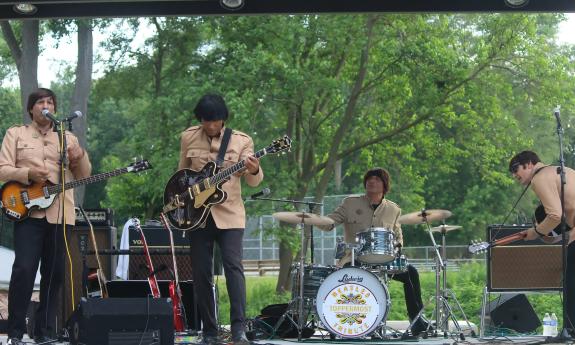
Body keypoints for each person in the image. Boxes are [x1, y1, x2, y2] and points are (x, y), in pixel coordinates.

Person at [0, 88, 92, 345]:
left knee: (54, 274)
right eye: (41, 101)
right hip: (28, 213)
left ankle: (44, 331)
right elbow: (2, 169)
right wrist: (28, 173)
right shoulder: (16, 133)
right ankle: (16, 332)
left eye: (50, 102)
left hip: (60, 214)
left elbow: (84, 175)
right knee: (24, 270)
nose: (46, 105)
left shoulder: (68, 137)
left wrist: (79, 156)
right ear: (31, 108)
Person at [178, 94, 263, 345]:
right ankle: (209, 332)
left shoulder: (242, 140)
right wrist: (181, 204)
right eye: (206, 121)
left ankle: (239, 330)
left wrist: (254, 168)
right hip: (197, 216)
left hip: (230, 214)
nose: (211, 126)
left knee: (233, 269)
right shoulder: (188, 137)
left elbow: (253, 180)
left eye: (215, 121)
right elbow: (181, 175)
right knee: (201, 272)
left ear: (223, 119)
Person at [318, 167, 430, 336]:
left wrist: (397, 247)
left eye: (377, 179)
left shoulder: (394, 209)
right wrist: (314, 219)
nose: (372, 181)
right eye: (369, 178)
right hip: (355, 259)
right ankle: (346, 324)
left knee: (411, 272)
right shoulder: (350, 203)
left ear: (384, 185)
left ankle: (417, 322)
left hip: (384, 260)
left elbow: (398, 237)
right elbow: (329, 222)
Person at [510, 150, 575, 336]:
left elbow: (555, 215)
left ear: (530, 164)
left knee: (571, 282)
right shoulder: (561, 171)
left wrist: (535, 232)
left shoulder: (540, 177)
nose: (514, 175)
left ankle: (570, 330)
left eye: (516, 169)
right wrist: (547, 235)